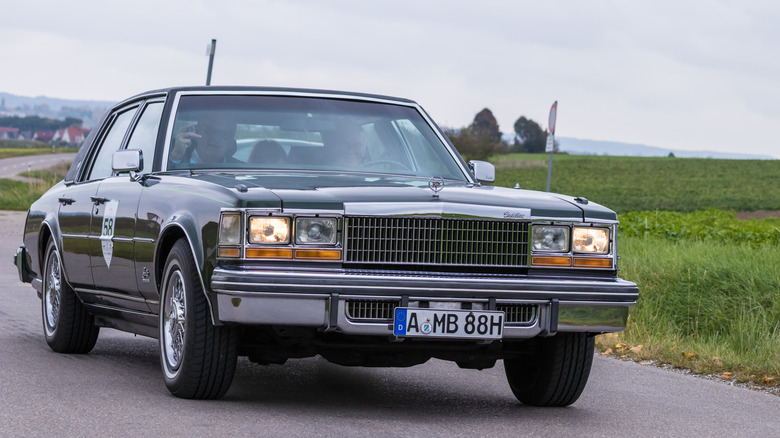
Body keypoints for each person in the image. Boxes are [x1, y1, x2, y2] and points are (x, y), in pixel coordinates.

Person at [170, 114, 238, 165]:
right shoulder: (176, 159)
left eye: (224, 134)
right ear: (196, 133)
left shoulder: (240, 171)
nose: (217, 138)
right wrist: (177, 154)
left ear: (231, 143)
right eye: (211, 131)